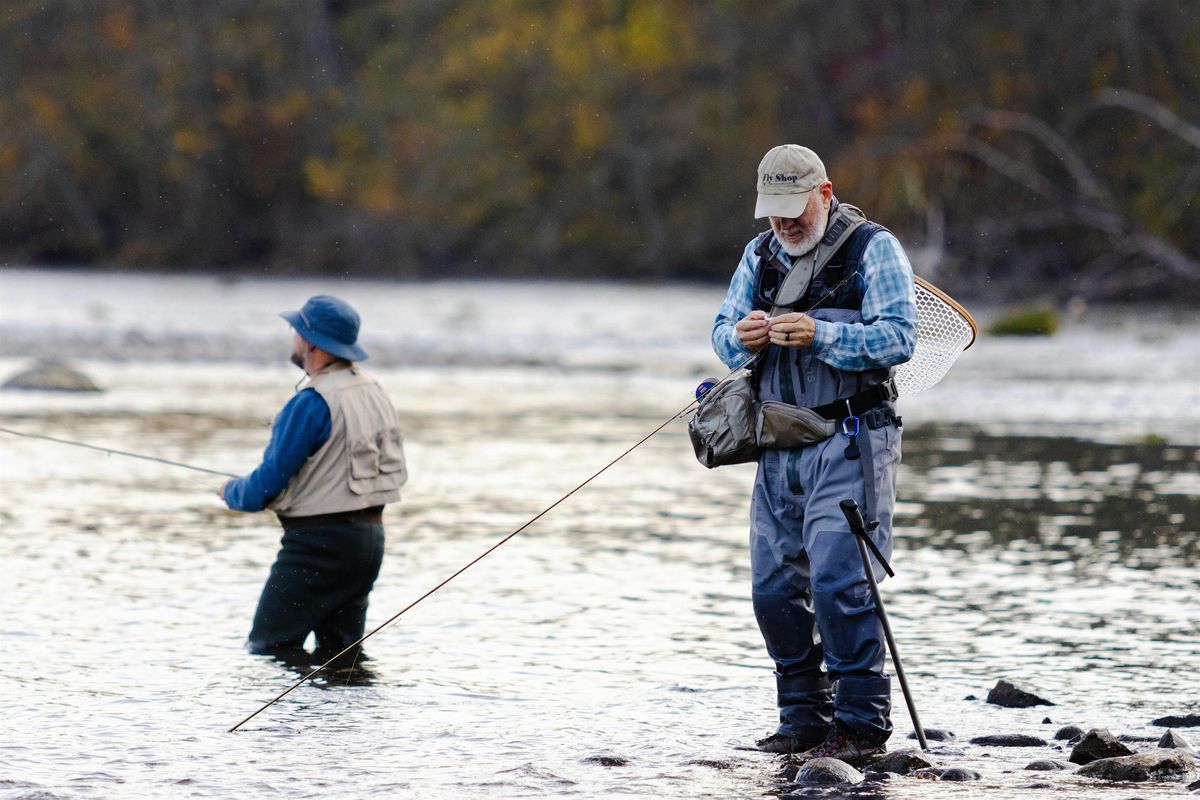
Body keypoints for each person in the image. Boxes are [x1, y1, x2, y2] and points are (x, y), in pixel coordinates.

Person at [711, 145, 917, 760]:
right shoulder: (759, 254)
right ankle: (801, 718)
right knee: (771, 589)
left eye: (794, 211)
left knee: (838, 580)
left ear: (824, 195)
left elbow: (899, 336)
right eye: (772, 213)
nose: (784, 225)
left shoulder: (875, 248)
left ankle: (860, 724)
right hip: (779, 444)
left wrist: (822, 334)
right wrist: (739, 338)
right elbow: (722, 333)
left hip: (855, 438)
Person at [220, 295, 407, 666]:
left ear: (311, 343)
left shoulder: (310, 402)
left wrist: (232, 491)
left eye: (296, 331)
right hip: (368, 543)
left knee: (269, 649)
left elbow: (266, 485)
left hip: (316, 546)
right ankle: (346, 724)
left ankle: (291, 724)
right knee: (342, 658)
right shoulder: (373, 390)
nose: (293, 338)